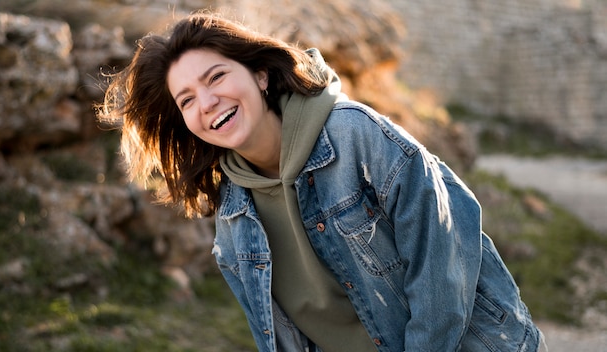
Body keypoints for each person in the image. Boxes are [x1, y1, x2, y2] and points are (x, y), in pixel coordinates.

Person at [98, 11, 547, 352]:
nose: (209, 102)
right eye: (188, 99)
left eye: (216, 77)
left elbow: (445, 257)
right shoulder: (233, 217)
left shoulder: (355, 135)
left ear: (259, 74)